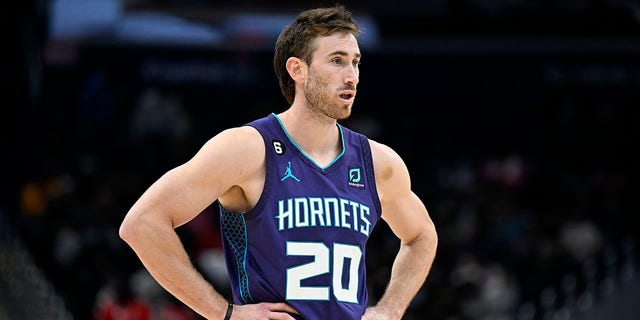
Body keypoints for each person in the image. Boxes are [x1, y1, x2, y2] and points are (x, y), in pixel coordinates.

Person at [119, 5, 438, 320]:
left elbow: (422, 235)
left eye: (355, 62)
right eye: (337, 61)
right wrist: (222, 313)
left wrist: (390, 310)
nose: (351, 76)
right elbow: (142, 223)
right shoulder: (246, 148)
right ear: (298, 69)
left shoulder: (378, 162)